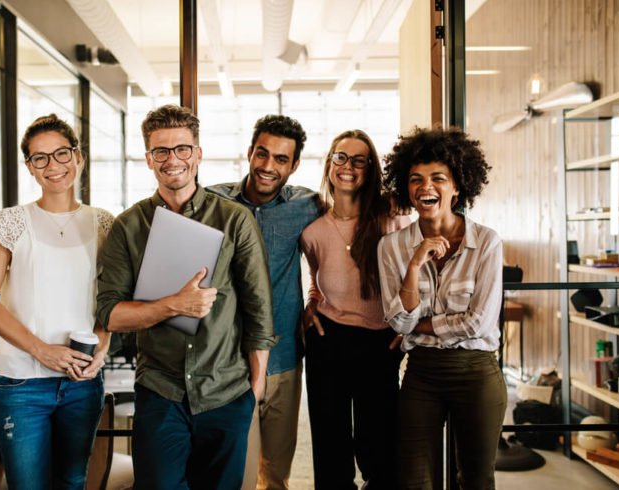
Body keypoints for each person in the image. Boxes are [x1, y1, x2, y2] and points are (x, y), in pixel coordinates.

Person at [95, 104, 276, 490]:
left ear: (197, 153)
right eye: (161, 151)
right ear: (148, 159)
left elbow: (259, 313)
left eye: (182, 149)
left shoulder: (234, 220)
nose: (172, 159)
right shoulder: (128, 226)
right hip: (161, 392)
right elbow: (110, 314)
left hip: (226, 392)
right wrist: (174, 305)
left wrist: (253, 392)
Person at [0, 114, 113, 490]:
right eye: (40, 158)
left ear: (78, 158)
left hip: (81, 383)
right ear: (30, 168)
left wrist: (103, 346)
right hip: (22, 384)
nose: (54, 166)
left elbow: (112, 300)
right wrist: (42, 351)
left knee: (72, 482)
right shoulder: (11, 222)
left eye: (61, 154)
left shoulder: (103, 223)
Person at [378, 126, 507, 490]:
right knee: (414, 480)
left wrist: (419, 324)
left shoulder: (486, 242)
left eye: (438, 178)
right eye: (416, 179)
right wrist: (415, 263)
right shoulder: (392, 247)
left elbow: (479, 324)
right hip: (422, 374)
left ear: (457, 186)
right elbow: (398, 321)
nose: (425, 187)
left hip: (477, 371)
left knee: (477, 479)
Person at [208, 114, 321, 490]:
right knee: (231, 470)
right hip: (227, 360)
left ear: (295, 164)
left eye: (281, 159)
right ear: (250, 152)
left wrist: (318, 296)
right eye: (262, 154)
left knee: (274, 473)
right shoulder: (212, 202)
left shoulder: (308, 205)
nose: (268, 166)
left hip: (284, 356)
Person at [300, 129, 408, 490]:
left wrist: (410, 324)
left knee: (380, 448)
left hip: (381, 343)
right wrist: (312, 303)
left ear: (370, 168)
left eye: (359, 160)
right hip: (328, 339)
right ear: (330, 164)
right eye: (341, 157)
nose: (348, 166)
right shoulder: (313, 230)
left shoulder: (392, 215)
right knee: (330, 447)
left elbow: (415, 273)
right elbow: (317, 277)